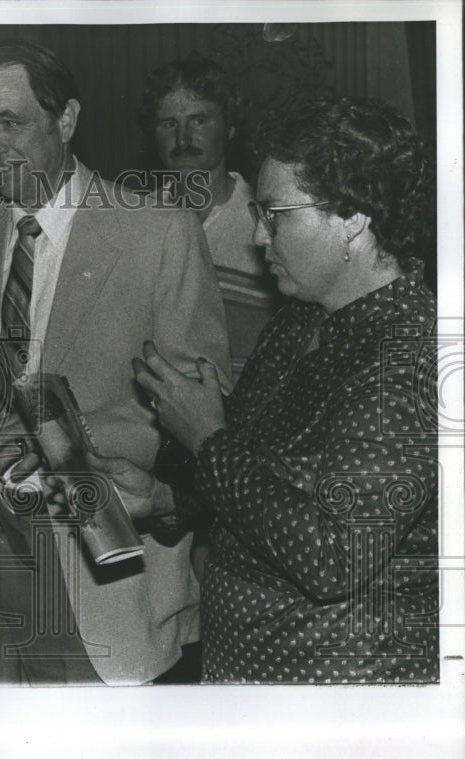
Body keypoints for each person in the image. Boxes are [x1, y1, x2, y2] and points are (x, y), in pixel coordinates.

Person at [0, 41, 232, 685]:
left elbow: (200, 408)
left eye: (11, 122)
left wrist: (60, 440)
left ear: (67, 120)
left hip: (100, 559)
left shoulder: (158, 231)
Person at [125, 96, 438, 683]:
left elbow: (335, 556)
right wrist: (163, 499)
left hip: (339, 688)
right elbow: (258, 476)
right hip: (249, 673)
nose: (258, 236)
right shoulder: (303, 318)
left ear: (353, 217)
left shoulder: (411, 352)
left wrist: (207, 437)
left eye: (276, 214)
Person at [141, 58, 276, 378]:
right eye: (169, 124)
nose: (184, 139)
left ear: (229, 128)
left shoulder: (264, 225)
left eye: (199, 121)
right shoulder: (134, 220)